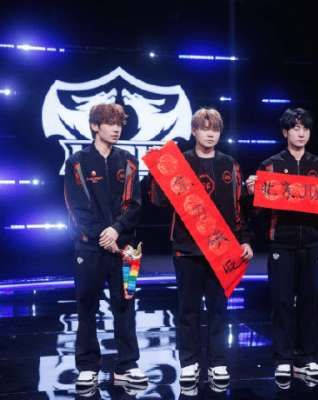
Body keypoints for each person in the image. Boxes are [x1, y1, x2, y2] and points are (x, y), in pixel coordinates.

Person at [149, 108, 253, 386]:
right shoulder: (179, 162)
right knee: (188, 309)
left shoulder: (230, 164)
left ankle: (218, 362)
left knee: (219, 308)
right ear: (194, 131)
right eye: (205, 128)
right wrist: (158, 173)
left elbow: (239, 208)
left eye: (215, 129)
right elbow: (158, 201)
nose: (210, 134)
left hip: (221, 249)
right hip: (187, 248)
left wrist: (244, 239)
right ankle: (189, 362)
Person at [64, 103, 148, 388]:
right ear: (94, 126)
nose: (116, 129)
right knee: (87, 304)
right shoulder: (76, 162)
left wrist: (116, 230)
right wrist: (104, 235)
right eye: (110, 123)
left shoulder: (130, 161)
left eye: (119, 124)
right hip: (89, 248)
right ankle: (88, 366)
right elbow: (77, 208)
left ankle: (127, 365)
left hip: (126, 249)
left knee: (126, 304)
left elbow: (136, 205)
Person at [246, 108, 318, 384]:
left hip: (312, 243)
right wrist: (252, 192)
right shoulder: (270, 166)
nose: (301, 133)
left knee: (309, 301)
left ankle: (307, 357)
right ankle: (283, 359)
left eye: (305, 128)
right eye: (295, 128)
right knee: (281, 302)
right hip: (281, 243)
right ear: (285, 132)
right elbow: (256, 211)